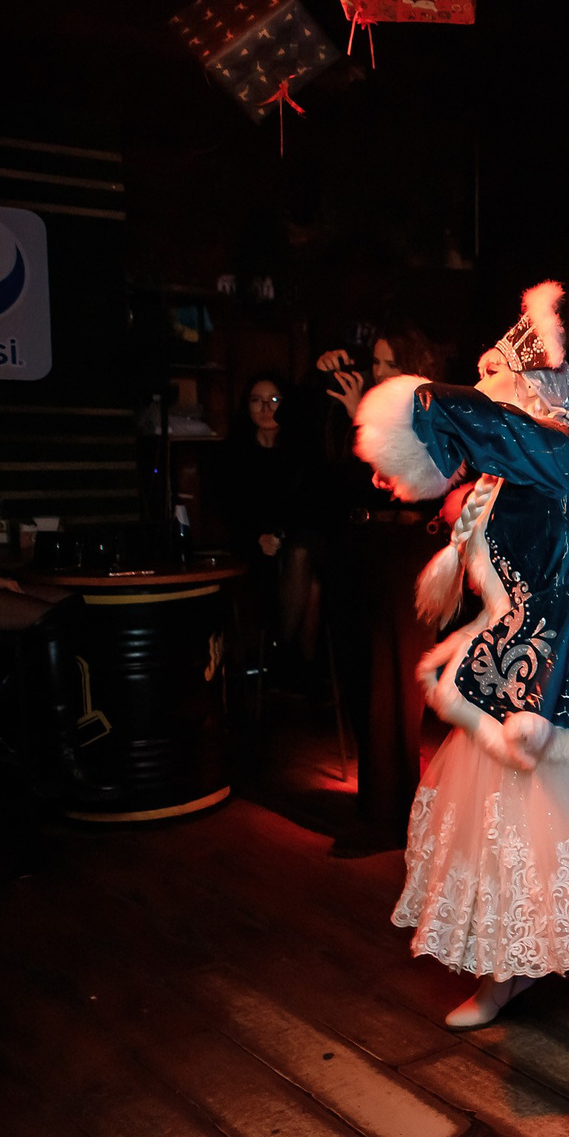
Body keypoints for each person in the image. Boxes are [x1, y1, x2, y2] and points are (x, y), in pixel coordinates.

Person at [353, 282, 569, 1097]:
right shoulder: (516, 471)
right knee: (497, 841)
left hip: (561, 679)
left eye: (501, 388)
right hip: (511, 672)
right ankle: (512, 969)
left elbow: (567, 579)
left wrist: (416, 404)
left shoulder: (559, 452)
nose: (494, 404)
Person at [313, 325, 448, 855]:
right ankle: (382, 809)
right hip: (364, 548)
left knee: (392, 685)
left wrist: (360, 420)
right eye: (376, 362)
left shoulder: (426, 413)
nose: (378, 373)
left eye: (390, 363)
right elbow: (337, 478)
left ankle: (388, 818)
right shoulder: (374, 410)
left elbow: (406, 481)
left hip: (404, 550)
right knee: (366, 677)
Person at [219, 374, 318, 673]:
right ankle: (293, 671)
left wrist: (281, 535)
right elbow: (229, 511)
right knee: (310, 587)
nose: (265, 408)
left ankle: (284, 661)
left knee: (310, 574)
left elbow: (309, 507)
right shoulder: (233, 454)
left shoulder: (299, 452)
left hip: (295, 541)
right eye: (256, 400)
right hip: (251, 549)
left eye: (274, 400)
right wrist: (256, 538)